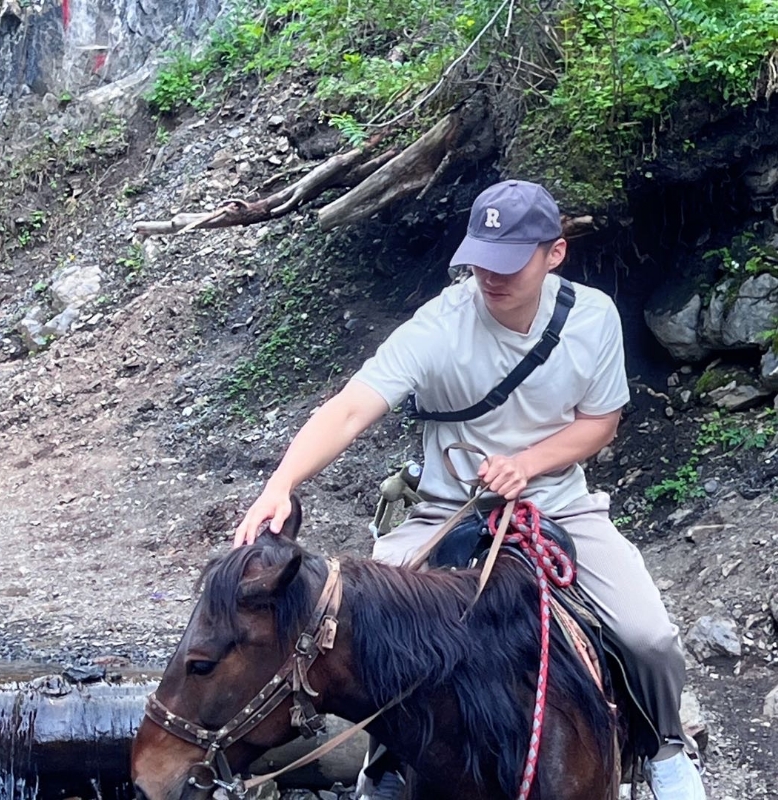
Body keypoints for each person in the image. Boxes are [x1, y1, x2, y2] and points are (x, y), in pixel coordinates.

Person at [235, 180, 706, 800]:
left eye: (509, 261)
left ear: (554, 254)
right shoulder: (440, 326)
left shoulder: (591, 318)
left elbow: (600, 423)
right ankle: (387, 760)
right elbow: (349, 409)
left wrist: (527, 463)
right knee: (373, 628)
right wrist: (282, 482)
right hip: (446, 511)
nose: (491, 275)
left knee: (649, 637)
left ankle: (664, 746)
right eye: (482, 259)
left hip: (560, 506)